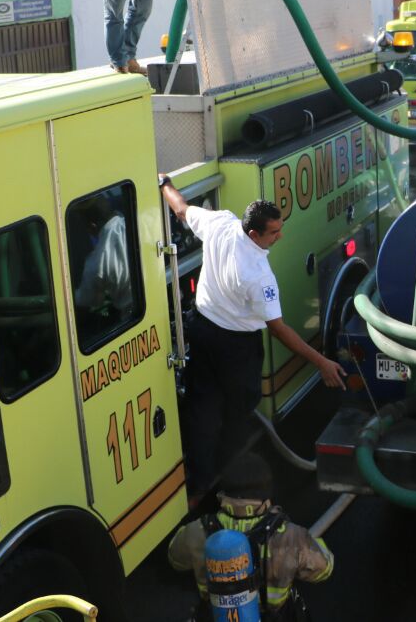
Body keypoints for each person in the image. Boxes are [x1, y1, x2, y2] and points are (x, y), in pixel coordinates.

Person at [159, 180, 347, 497]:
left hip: (202, 332)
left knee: (201, 410)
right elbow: (279, 329)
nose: (280, 236)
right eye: (274, 232)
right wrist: (322, 363)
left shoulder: (220, 222)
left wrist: (164, 184)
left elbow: (180, 209)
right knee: (238, 413)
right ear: (254, 234)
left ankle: (198, 485)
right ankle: (231, 480)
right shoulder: (259, 276)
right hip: (236, 349)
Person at [168, 453, 334, 622]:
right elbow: (324, 569)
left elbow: (175, 559)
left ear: (224, 493)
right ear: (266, 495)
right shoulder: (291, 536)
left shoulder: (198, 530)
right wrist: (310, 541)